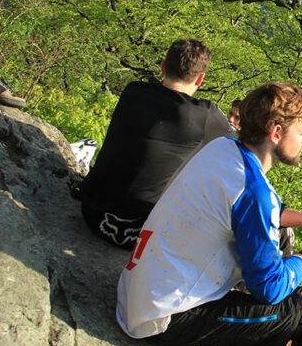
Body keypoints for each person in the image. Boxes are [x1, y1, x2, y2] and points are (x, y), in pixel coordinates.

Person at [117, 82, 302, 346]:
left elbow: (249, 212)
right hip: (167, 315)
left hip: (144, 290)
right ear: (276, 133)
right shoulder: (254, 191)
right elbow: (271, 289)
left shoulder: (222, 149)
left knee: (282, 237)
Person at [79, 39, 234, 248]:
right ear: (200, 79)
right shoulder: (205, 115)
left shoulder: (133, 91)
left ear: (162, 66)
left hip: (92, 214)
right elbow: (241, 145)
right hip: (141, 234)